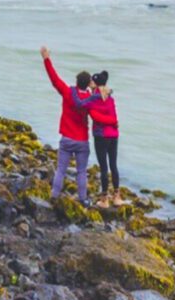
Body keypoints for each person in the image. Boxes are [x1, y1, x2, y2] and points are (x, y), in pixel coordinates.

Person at [40, 46, 93, 206]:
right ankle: (83, 199)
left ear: (76, 82)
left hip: (67, 139)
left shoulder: (68, 92)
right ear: (88, 84)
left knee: (61, 169)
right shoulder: (91, 99)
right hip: (82, 141)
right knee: (81, 171)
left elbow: (54, 78)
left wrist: (46, 58)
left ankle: (54, 195)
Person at [73, 71, 121, 207]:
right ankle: (117, 197)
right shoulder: (110, 98)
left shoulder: (93, 99)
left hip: (101, 136)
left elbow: (95, 116)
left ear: (95, 84)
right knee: (113, 165)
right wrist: (112, 122)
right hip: (114, 135)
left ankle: (105, 199)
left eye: (92, 82)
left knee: (104, 167)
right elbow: (114, 117)